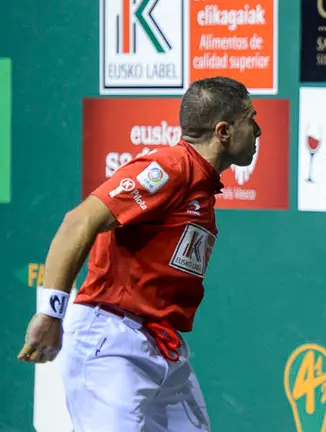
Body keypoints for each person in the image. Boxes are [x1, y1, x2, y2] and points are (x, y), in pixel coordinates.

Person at [17, 76, 262, 431]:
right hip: (112, 345)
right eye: (250, 118)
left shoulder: (201, 185)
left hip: (163, 348)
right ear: (223, 131)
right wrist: (51, 313)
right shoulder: (168, 169)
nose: (257, 130)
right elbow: (78, 222)